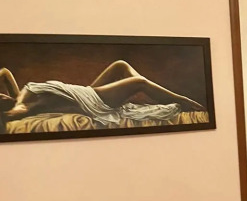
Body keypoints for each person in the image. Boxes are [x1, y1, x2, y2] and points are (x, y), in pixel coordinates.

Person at [0, 60, 205, 131]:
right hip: (94, 101)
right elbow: (12, 113)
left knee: (120, 66)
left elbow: (5, 72)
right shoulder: (21, 106)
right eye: (0, 99)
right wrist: (12, 111)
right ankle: (181, 100)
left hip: (86, 91)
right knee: (139, 83)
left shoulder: (19, 95)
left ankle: (147, 94)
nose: (2, 95)